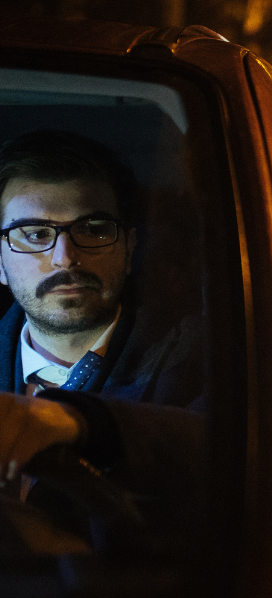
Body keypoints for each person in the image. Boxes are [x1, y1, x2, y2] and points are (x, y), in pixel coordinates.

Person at [0, 130, 205, 528]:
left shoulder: (205, 355)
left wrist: (82, 423)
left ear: (128, 248)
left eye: (93, 229)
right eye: (36, 234)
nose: (65, 258)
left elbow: (223, 448)